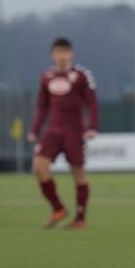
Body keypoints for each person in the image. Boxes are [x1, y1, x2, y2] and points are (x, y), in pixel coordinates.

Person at [28, 37, 98, 229]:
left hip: (74, 132)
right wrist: (35, 129)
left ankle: (80, 218)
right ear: (53, 54)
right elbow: (42, 106)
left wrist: (92, 127)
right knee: (39, 167)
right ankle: (58, 208)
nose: (61, 56)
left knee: (79, 174)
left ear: (71, 54)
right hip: (53, 130)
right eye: (58, 52)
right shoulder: (46, 77)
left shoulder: (82, 75)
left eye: (65, 52)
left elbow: (92, 102)